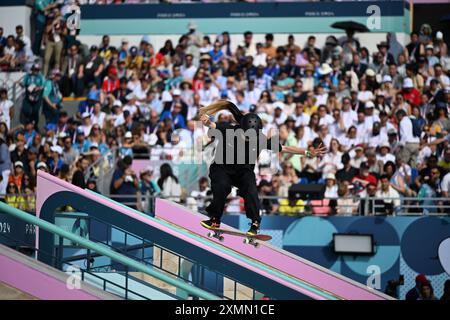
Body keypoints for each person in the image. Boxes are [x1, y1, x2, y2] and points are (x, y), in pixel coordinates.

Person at [199, 100, 326, 235]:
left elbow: (285, 148)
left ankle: (255, 222)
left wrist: (307, 152)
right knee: (221, 186)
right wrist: (205, 120)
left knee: (251, 190)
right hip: (222, 167)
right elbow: (211, 125)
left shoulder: (260, 139)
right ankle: (215, 219)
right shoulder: (229, 129)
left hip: (243, 171)